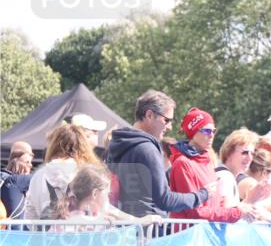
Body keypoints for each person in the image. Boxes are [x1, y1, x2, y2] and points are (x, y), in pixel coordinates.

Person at [106, 90, 209, 218]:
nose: (170, 126)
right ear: (149, 115)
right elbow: (165, 199)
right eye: (167, 120)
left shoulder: (118, 143)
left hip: (124, 227)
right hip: (148, 230)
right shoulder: (147, 149)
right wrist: (202, 195)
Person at [168, 108, 257, 223]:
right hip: (189, 236)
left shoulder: (206, 161)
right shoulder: (182, 163)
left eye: (213, 131)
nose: (211, 135)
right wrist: (236, 212)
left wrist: (239, 209)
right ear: (193, 132)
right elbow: (195, 212)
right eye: (206, 131)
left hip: (207, 235)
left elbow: (216, 205)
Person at [25, 124, 103, 219]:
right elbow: (101, 209)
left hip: (45, 232)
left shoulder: (38, 175)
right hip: (82, 231)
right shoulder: (88, 174)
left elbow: (30, 216)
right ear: (84, 146)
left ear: (53, 146)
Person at [1, 149, 33, 220]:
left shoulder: (3, 178)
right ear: (16, 163)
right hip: (14, 230)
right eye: (27, 162)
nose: (30, 165)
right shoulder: (16, 180)